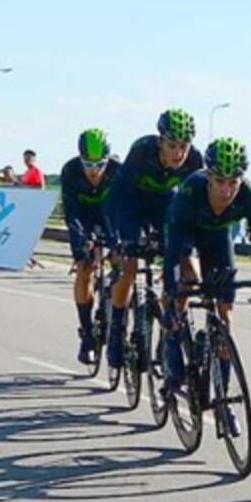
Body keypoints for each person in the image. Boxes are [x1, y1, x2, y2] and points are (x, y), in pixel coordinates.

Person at [161, 137, 251, 433]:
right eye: (220, 182)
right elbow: (172, 252)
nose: (227, 190)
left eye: (233, 182)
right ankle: (172, 340)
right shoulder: (189, 191)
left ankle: (222, 401)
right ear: (208, 176)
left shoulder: (249, 196)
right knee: (185, 280)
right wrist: (172, 293)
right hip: (184, 236)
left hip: (217, 240)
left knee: (225, 314)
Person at [105, 108, 204, 369]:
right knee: (129, 266)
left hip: (166, 209)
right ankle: (116, 330)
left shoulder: (195, 160)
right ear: (160, 141)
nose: (178, 153)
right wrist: (116, 238)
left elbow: (198, 204)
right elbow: (116, 196)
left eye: (183, 146)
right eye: (172, 146)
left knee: (187, 271)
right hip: (133, 207)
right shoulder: (142, 150)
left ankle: (169, 331)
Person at [61, 128, 122, 364]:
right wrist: (80, 245)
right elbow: (71, 214)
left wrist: (119, 241)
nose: (94, 172)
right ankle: (87, 333)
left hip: (110, 215)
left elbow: (126, 208)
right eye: (88, 165)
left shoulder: (118, 170)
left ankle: (112, 287)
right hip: (83, 217)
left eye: (99, 165)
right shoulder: (71, 171)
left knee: (122, 261)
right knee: (85, 267)